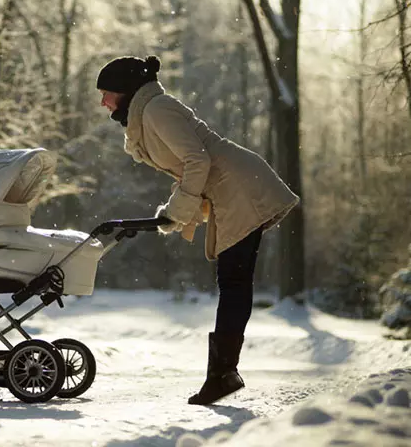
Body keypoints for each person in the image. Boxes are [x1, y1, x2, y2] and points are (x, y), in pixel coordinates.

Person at [96, 55, 299, 405]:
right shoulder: (147, 113)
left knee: (234, 281)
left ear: (126, 92)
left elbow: (198, 160)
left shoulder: (157, 109)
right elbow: (190, 166)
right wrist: (175, 211)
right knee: (233, 280)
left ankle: (223, 375)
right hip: (229, 188)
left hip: (239, 186)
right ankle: (224, 373)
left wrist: (179, 209)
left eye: (107, 93)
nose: (103, 102)